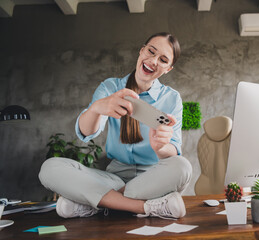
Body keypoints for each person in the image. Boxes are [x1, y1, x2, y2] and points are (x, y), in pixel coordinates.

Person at [39, 32, 192, 220]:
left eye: (162, 60)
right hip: (113, 178)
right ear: (141, 50)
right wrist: (96, 109)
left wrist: (161, 147)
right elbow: (86, 133)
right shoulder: (110, 87)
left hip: (152, 178)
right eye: (151, 52)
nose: (153, 61)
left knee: (183, 166)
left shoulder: (172, 98)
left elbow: (173, 152)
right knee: (50, 167)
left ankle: (100, 204)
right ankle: (144, 207)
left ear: (168, 69)